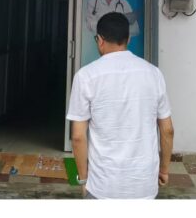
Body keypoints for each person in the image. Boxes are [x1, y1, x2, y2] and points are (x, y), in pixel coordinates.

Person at [67, 12, 174, 199]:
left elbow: (77, 137)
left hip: (102, 186)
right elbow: (167, 130)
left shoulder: (86, 76)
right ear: (128, 39)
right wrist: (164, 170)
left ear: (100, 40)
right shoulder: (153, 74)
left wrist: (83, 179)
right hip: (144, 184)